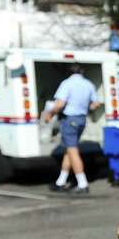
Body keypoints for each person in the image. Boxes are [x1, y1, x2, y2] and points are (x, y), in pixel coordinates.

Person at [42, 63, 101, 194]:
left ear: (69, 72)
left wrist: (49, 114)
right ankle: (61, 182)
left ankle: (82, 183)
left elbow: (59, 103)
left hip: (70, 120)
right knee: (69, 150)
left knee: (72, 151)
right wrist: (84, 108)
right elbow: (96, 104)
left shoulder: (66, 83)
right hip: (82, 119)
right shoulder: (88, 84)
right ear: (82, 72)